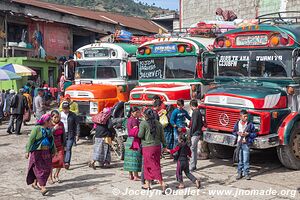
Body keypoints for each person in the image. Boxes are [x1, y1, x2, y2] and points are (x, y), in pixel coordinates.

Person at [25, 114, 56, 196]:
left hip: (47, 153)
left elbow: (52, 142)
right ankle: (43, 187)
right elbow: (31, 140)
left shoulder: (49, 130)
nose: (51, 122)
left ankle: (35, 183)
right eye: (50, 121)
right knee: (39, 169)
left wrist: (53, 151)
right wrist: (27, 151)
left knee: (46, 169)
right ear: (46, 121)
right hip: (37, 152)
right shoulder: (36, 129)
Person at [138, 108, 167, 192]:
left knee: (151, 166)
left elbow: (140, 135)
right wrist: (165, 146)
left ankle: (162, 183)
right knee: (154, 164)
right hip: (157, 147)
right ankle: (147, 184)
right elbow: (162, 137)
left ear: (146, 115)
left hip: (147, 147)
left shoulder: (143, 123)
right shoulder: (158, 123)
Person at [233, 110, 257, 180]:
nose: (246, 118)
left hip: (246, 144)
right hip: (239, 144)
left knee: (246, 160)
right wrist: (238, 133)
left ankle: (246, 173)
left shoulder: (250, 124)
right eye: (244, 116)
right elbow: (234, 131)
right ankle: (239, 173)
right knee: (240, 160)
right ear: (240, 117)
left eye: (247, 116)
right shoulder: (237, 124)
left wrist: (248, 134)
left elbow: (255, 134)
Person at [124, 107, 142, 181]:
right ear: (132, 112)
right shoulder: (134, 120)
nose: (138, 114)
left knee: (129, 158)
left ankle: (130, 175)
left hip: (129, 140)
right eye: (137, 112)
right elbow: (136, 131)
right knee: (135, 158)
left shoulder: (128, 120)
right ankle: (136, 176)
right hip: (135, 141)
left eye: (138, 112)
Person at [60, 102, 80, 169]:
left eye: (67, 108)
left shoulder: (73, 115)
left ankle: (67, 162)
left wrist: (77, 134)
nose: (65, 110)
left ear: (69, 108)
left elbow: (77, 124)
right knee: (63, 148)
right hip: (61, 134)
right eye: (64, 108)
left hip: (70, 134)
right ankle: (62, 161)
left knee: (68, 148)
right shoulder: (59, 115)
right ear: (62, 109)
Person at [50, 110, 66, 183]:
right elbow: (47, 134)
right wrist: (53, 129)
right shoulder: (49, 124)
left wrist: (64, 145)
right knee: (51, 162)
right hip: (51, 146)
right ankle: (50, 178)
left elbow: (63, 135)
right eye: (55, 117)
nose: (57, 119)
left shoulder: (61, 124)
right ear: (52, 117)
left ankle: (56, 175)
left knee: (60, 161)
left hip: (60, 145)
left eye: (58, 117)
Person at [189, 99, 204, 171]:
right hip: (198, 132)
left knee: (192, 149)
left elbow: (194, 124)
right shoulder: (199, 112)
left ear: (191, 105)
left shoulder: (195, 112)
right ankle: (193, 165)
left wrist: (191, 133)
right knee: (194, 149)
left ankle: (192, 166)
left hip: (195, 133)